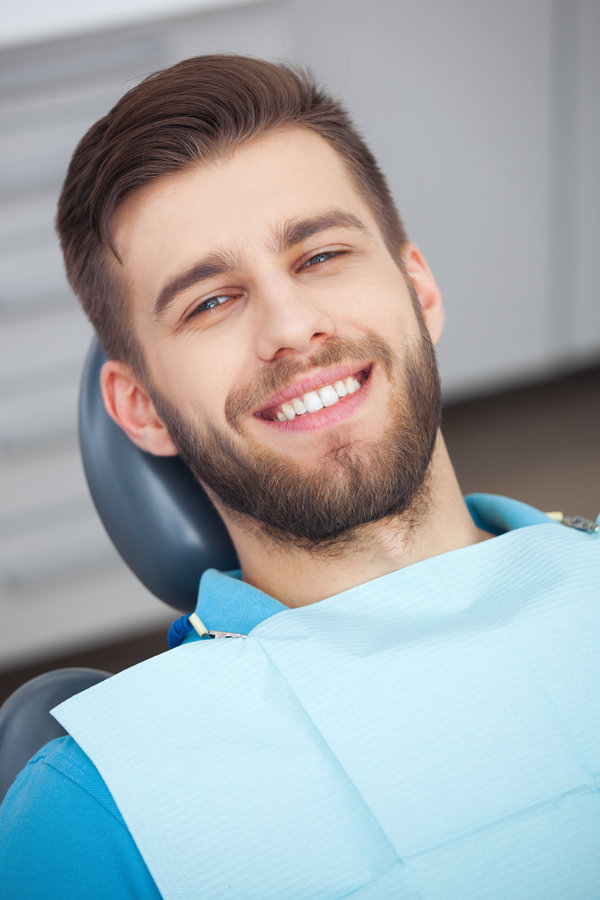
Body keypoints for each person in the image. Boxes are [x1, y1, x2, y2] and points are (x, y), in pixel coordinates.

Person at [1, 55, 599, 899]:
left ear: (419, 290)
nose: (292, 326)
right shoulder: (94, 811)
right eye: (211, 301)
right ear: (140, 408)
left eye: (320, 256)